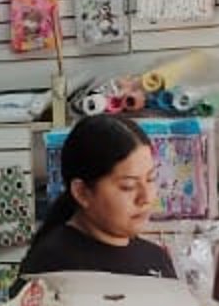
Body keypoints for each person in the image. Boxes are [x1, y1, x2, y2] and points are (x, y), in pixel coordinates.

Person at [15, 113, 178, 282]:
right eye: (128, 186)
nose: (145, 198)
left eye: (150, 179)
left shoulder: (156, 259)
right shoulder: (50, 269)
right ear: (82, 193)